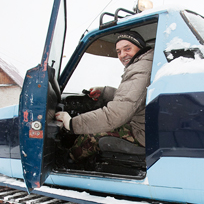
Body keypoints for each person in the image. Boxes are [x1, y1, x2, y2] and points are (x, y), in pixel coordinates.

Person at [56, 31, 153, 162]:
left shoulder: (141, 70)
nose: (122, 55)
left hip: (142, 134)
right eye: (118, 51)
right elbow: (133, 98)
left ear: (140, 47)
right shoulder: (145, 64)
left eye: (127, 49)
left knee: (91, 135)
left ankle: (67, 164)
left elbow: (115, 115)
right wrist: (105, 92)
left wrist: (72, 123)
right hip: (147, 127)